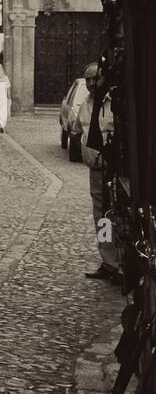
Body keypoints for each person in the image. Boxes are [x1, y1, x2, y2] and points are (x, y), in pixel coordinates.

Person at [80, 63, 121, 284]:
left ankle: (123, 264)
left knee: (116, 215)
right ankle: (108, 261)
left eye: (94, 79)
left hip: (112, 169)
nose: (90, 84)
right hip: (95, 171)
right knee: (101, 218)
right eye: (86, 80)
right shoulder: (86, 103)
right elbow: (79, 128)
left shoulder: (113, 102)